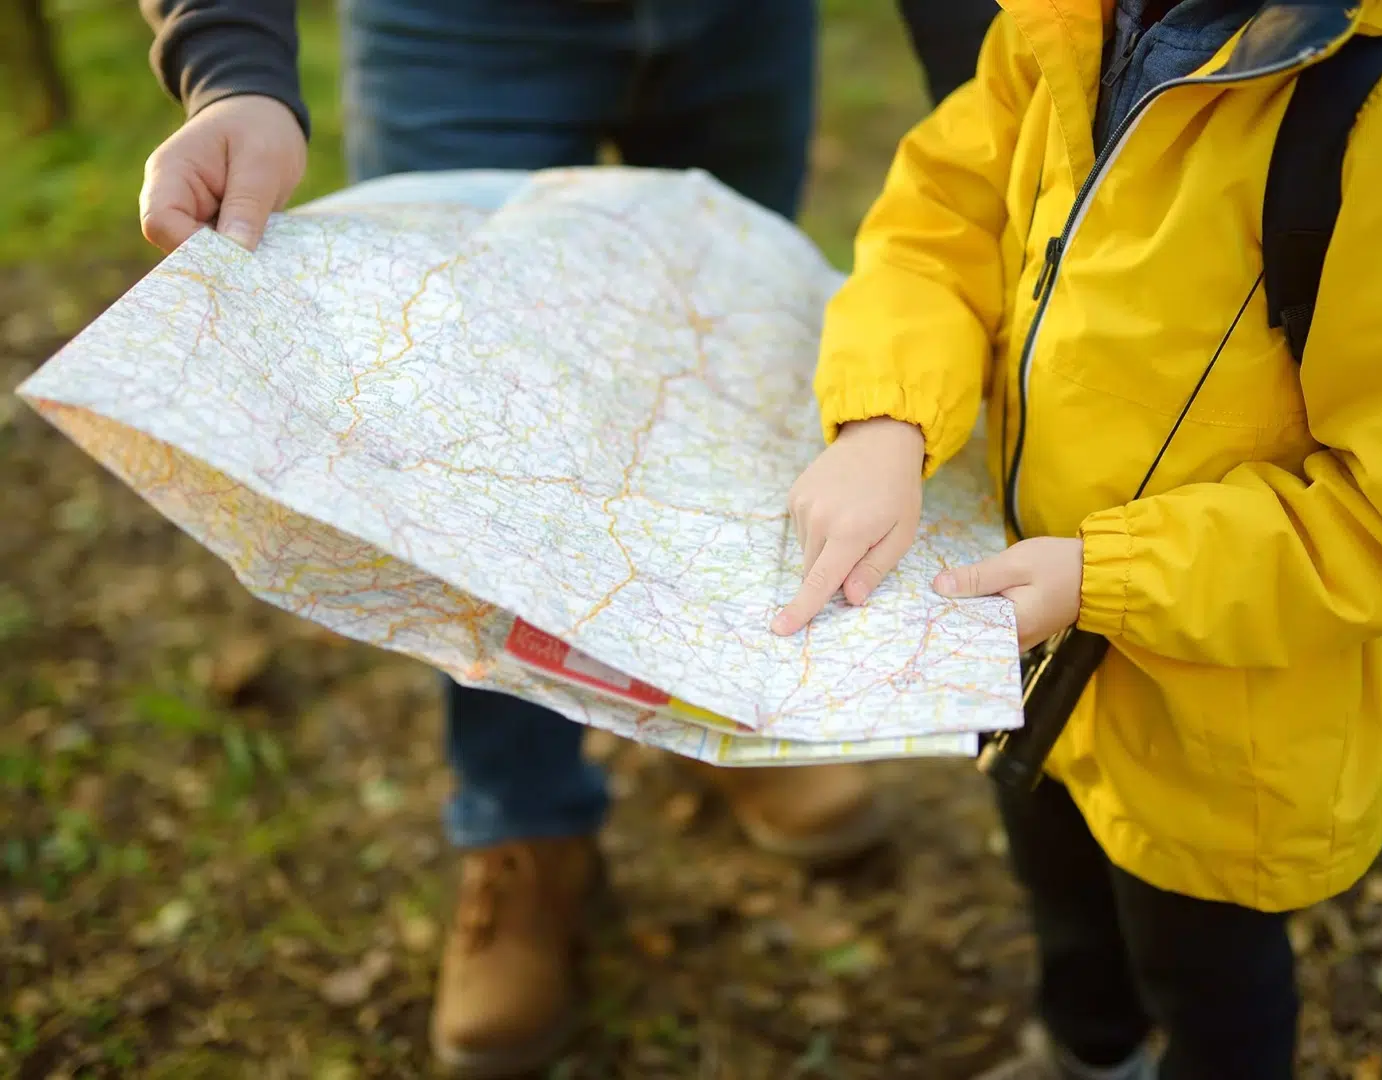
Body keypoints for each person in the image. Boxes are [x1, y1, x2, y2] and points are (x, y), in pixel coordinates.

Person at [135, 0, 998, 1076]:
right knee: (467, 427)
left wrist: (998, 81)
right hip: (455, 29)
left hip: (746, 25)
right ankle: (524, 829)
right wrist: (232, 67)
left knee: (730, 361)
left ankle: (709, 706)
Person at [775, 0, 1382, 1077]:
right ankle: (1087, 1054)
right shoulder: (1064, 22)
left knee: (1206, 972)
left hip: (1220, 706)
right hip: (1035, 645)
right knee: (1058, 890)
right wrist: (885, 419)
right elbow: (940, 217)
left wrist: (1106, 575)